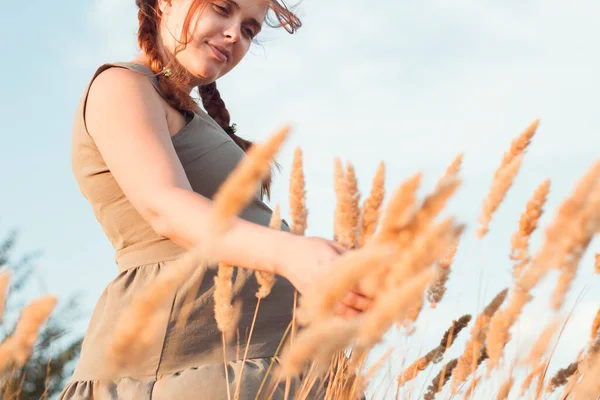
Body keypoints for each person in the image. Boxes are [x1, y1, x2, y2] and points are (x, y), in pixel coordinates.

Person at [59, 0, 372, 398]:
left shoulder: (193, 113)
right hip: (186, 366)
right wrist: (290, 254)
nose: (234, 34)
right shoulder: (122, 85)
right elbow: (165, 205)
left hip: (265, 362)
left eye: (249, 30)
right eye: (223, 8)